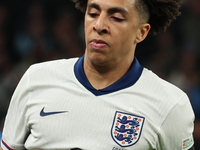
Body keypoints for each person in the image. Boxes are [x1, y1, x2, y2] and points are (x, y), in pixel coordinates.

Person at [0, 0, 195, 149]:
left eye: (116, 18)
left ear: (141, 33)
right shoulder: (36, 79)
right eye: (93, 13)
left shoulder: (171, 104)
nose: (99, 25)